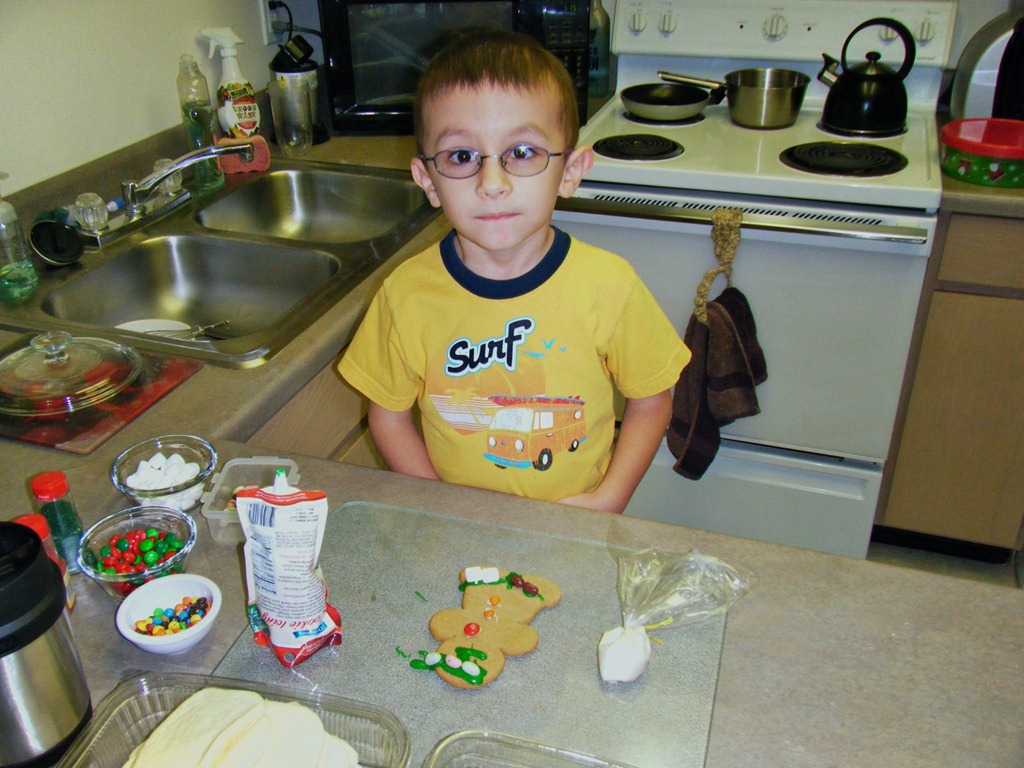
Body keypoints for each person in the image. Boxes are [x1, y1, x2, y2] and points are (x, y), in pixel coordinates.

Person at [338, 30, 690, 514]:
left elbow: (653, 402)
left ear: (571, 171)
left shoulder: (609, 284)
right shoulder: (404, 295)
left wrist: (608, 500)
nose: (493, 184)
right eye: (462, 156)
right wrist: (437, 503)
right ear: (428, 180)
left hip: (575, 528)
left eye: (522, 152)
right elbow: (389, 418)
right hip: (459, 531)